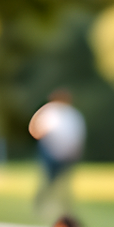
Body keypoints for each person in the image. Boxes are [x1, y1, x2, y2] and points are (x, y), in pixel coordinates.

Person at [28, 89, 85, 219]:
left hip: (67, 155)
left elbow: (78, 137)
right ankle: (41, 205)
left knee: (63, 183)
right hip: (50, 153)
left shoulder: (73, 115)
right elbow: (37, 131)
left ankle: (65, 210)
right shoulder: (50, 114)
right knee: (48, 181)